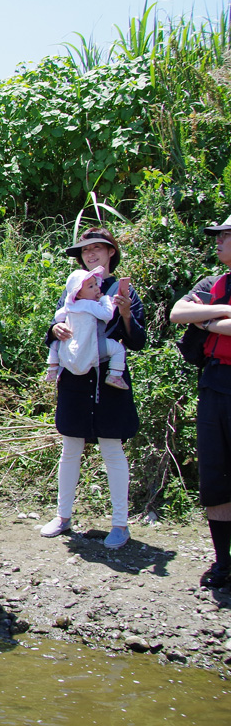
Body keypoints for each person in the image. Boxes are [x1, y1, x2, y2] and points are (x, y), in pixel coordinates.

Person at [38, 228, 144, 549]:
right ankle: (63, 516)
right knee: (70, 448)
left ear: (111, 252)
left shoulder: (123, 292)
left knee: (112, 450)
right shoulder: (74, 286)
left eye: (98, 248)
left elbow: (137, 341)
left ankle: (120, 524)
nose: (91, 254)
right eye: (86, 250)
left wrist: (125, 313)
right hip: (74, 382)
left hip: (110, 385)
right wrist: (54, 329)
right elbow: (56, 327)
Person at [169, 214, 231, 588]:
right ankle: (223, 562)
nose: (219, 242)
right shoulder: (213, 283)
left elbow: (192, 316)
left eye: (225, 236)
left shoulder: (209, 291)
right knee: (215, 472)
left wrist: (202, 318)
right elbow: (179, 313)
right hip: (214, 383)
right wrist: (220, 314)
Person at [44, 267, 129, 389]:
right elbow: (107, 314)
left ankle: (52, 368)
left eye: (95, 284)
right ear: (78, 293)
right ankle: (115, 375)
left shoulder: (69, 306)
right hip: (93, 345)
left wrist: (58, 325)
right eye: (91, 287)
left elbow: (58, 316)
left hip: (71, 345)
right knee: (118, 349)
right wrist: (105, 300)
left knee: (55, 345)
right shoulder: (91, 304)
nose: (96, 288)